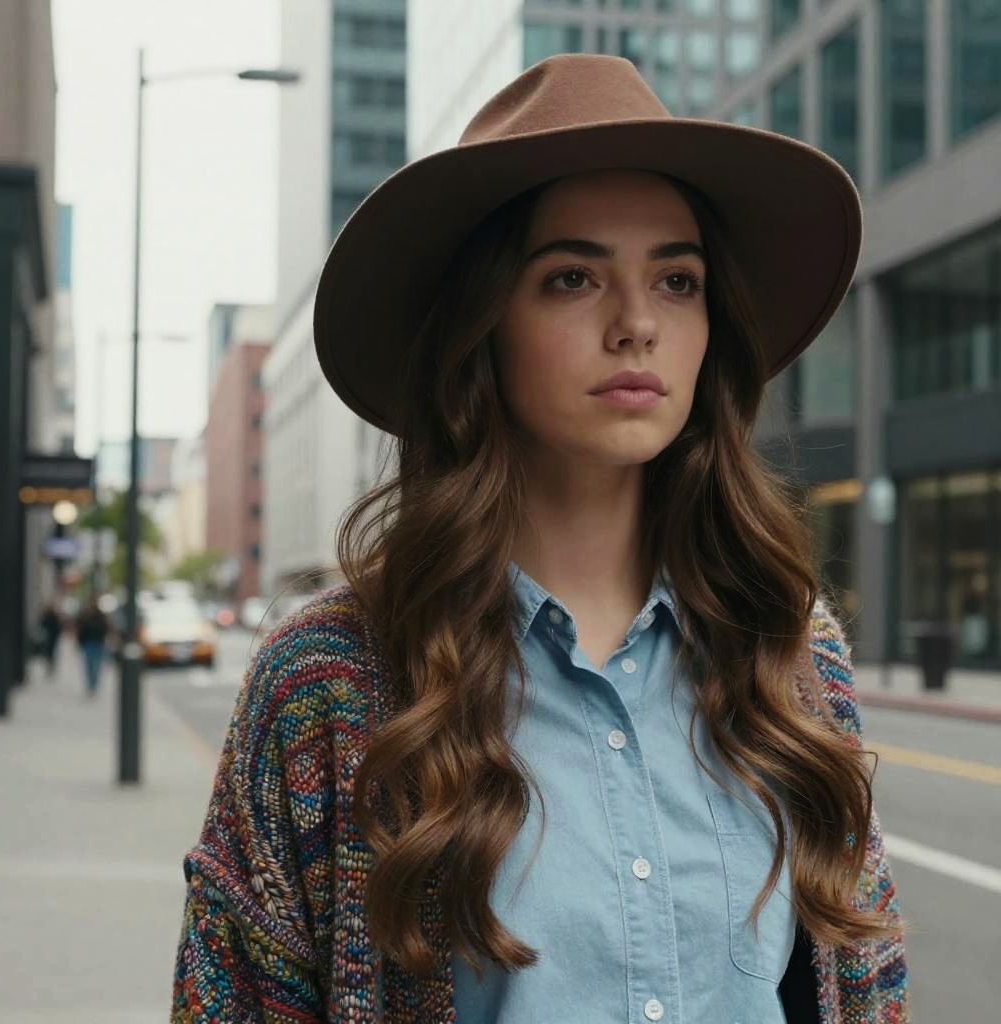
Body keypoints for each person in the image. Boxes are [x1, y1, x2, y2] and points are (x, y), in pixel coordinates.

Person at [171, 55, 908, 1023]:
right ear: (481, 329)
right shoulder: (328, 679)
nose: (637, 323)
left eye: (677, 280)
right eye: (571, 277)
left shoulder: (790, 648)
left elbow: (867, 983)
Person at [75, 595, 110, 696]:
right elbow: (80, 629)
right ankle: (91, 684)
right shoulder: (85, 615)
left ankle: (93, 684)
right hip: (89, 643)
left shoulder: (101, 615)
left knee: (96, 665)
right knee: (90, 664)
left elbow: (106, 628)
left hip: (98, 643)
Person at [37, 600, 63, 677]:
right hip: (48, 638)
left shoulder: (53, 616)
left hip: (51, 638)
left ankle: (50, 666)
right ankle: (49, 667)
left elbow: (58, 628)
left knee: (50, 653)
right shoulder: (47, 616)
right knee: (48, 653)